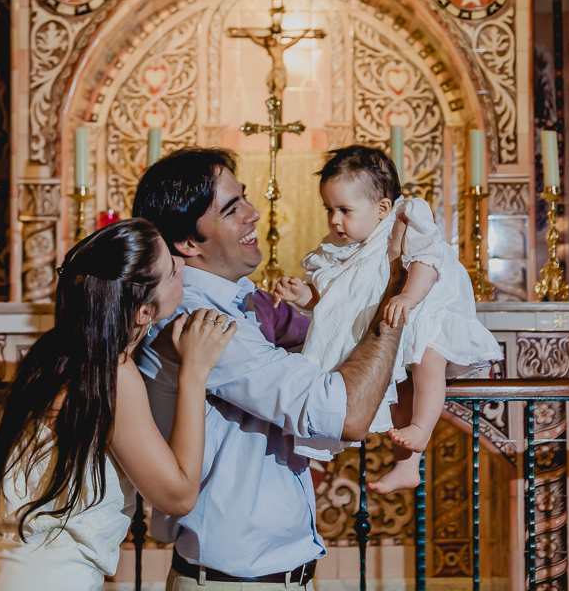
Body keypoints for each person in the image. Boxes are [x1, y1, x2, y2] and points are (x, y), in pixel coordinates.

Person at [133, 148, 407, 590]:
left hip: (271, 576)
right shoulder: (201, 321)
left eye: (244, 198)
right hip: (235, 582)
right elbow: (345, 412)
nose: (254, 214)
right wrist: (396, 289)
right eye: (231, 208)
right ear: (187, 242)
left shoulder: (241, 303)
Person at [0, 219, 234, 591]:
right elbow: (177, 495)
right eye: (173, 270)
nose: (183, 264)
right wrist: (195, 371)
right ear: (144, 312)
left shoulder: (50, 355)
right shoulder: (113, 374)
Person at [273, 145, 502, 492]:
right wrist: (301, 296)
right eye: (329, 209)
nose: (335, 219)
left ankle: (422, 431)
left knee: (428, 359)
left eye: (345, 210)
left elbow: (428, 261)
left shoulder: (405, 219)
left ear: (382, 208)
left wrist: (409, 295)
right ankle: (407, 466)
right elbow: (334, 300)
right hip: (398, 322)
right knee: (394, 387)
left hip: (429, 307)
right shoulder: (339, 250)